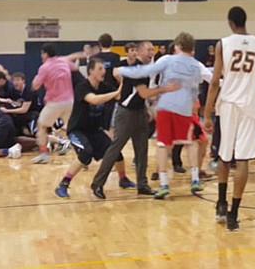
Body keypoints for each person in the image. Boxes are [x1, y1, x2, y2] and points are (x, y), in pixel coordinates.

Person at [118, 33, 205, 200]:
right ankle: (195, 179)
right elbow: (196, 89)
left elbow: (146, 70)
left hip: (166, 106)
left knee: (163, 145)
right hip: (185, 107)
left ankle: (164, 184)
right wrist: (194, 107)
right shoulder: (196, 65)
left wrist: (122, 69)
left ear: (178, 46)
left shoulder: (167, 59)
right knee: (190, 143)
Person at [204, 6, 255, 232]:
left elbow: (214, 82)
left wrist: (207, 112)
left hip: (229, 105)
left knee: (224, 154)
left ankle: (221, 203)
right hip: (249, 106)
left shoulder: (224, 43)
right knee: (243, 161)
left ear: (231, 22)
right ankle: (233, 214)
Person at [90, 41, 179, 199]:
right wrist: (166, 89)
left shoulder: (146, 70)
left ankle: (142, 184)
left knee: (142, 149)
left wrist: (146, 109)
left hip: (138, 112)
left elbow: (141, 96)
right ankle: (98, 183)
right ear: (138, 52)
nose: (151, 52)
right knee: (115, 148)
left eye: (153, 49)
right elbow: (144, 93)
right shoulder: (135, 70)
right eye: (148, 50)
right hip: (126, 113)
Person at [53, 58, 130, 199]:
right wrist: (115, 93)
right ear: (90, 71)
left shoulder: (104, 86)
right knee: (85, 154)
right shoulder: (82, 87)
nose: (104, 71)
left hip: (95, 130)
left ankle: (123, 179)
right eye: (100, 68)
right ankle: (63, 184)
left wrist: (121, 81)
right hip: (77, 130)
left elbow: (120, 95)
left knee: (115, 152)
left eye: (104, 68)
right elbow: (94, 100)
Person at [31, 43, 78, 164]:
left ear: (45, 54)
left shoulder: (44, 67)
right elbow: (75, 68)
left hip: (55, 102)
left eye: (42, 53)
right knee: (72, 129)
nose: (41, 56)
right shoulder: (63, 61)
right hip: (70, 101)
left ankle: (43, 154)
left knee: (41, 126)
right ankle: (82, 155)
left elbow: (35, 86)